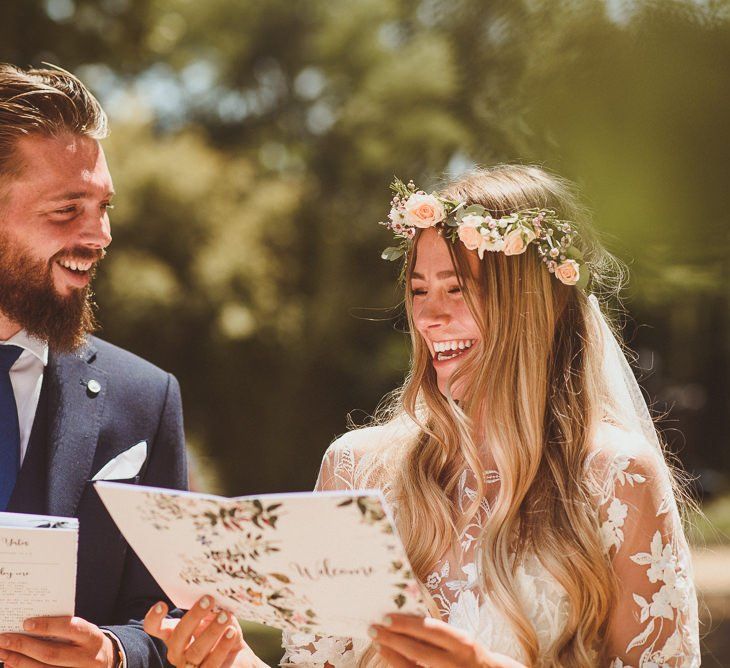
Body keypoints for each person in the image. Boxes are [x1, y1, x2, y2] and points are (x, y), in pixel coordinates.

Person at [146, 165, 699, 667]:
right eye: (419, 290)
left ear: (534, 302)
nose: (430, 317)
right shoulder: (356, 469)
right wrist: (231, 659)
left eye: (458, 289)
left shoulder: (616, 477)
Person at [0, 63, 188, 668]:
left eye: (103, 206)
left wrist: (112, 653)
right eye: (67, 210)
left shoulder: (146, 399)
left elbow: (165, 618)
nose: (100, 234)